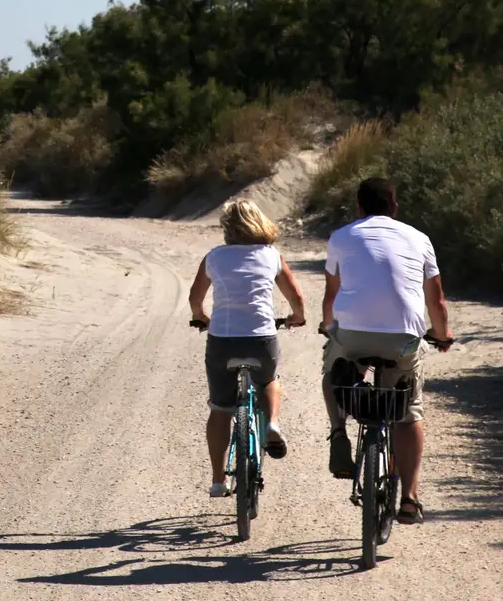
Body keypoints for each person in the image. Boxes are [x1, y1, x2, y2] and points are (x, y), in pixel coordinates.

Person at [321, 176, 453, 525]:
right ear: (394, 207)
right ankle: (409, 498)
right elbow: (435, 300)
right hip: (403, 337)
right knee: (409, 410)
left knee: (334, 369)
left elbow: (331, 295)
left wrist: (327, 326)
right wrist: (443, 334)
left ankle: (338, 432)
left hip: (354, 334)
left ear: (359, 207)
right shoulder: (419, 238)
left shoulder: (342, 236)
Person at [188, 199, 307, 497]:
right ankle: (273, 425)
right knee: (268, 380)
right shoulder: (271, 256)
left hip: (222, 340)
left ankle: (218, 481)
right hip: (261, 338)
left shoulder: (214, 257)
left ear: (227, 227)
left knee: (220, 408)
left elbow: (195, 299)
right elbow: (296, 299)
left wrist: (201, 318)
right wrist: (297, 318)